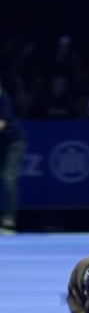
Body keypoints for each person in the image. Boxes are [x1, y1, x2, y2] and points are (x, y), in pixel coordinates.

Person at [0, 79, 26, 235]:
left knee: (9, 178)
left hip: (14, 144)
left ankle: (9, 219)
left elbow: (1, 124)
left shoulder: (3, 98)